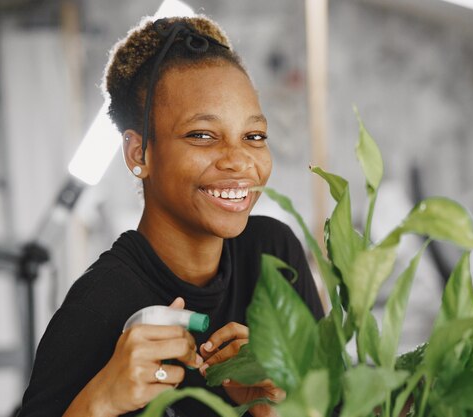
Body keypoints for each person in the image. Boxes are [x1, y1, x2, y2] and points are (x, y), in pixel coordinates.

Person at [17, 14, 324, 417]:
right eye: (202, 135)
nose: (239, 161)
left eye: (254, 136)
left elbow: (337, 403)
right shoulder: (95, 309)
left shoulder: (273, 252)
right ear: (138, 153)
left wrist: (280, 407)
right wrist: (98, 402)